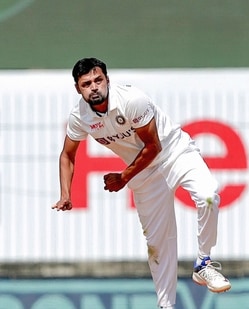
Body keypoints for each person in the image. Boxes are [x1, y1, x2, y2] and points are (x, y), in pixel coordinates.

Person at [52, 57, 231, 308]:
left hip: (174, 152)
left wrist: (123, 177)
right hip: (144, 174)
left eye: (98, 80)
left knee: (209, 194)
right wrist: (65, 194)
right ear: (77, 88)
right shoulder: (79, 117)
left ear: (107, 80)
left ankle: (204, 263)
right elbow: (67, 155)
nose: (94, 87)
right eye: (86, 84)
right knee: (158, 244)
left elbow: (153, 146)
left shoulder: (132, 100)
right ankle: (165, 305)